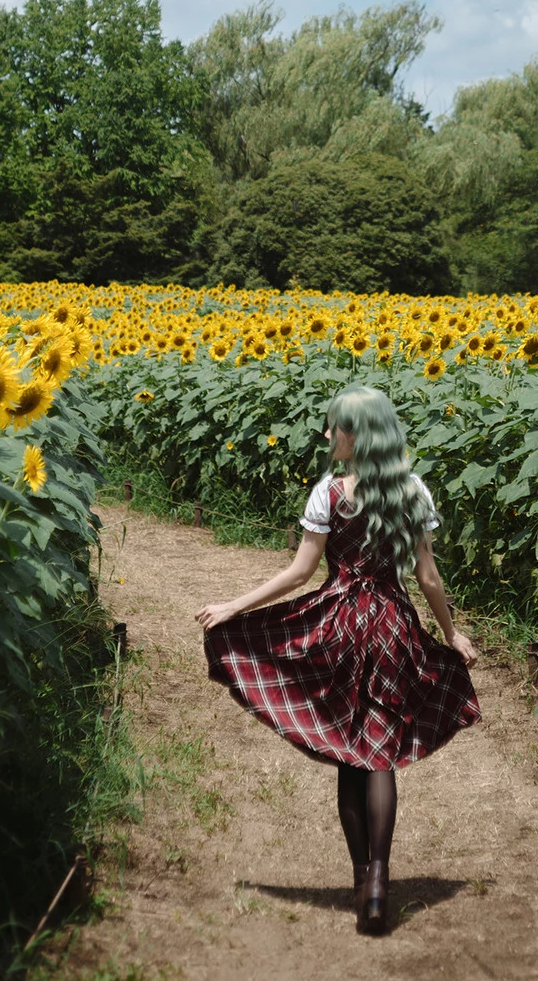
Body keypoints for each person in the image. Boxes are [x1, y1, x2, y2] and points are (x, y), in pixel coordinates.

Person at [195, 383, 481, 935]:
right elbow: (426, 577)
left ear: (360, 433)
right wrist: (452, 633)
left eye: (336, 427)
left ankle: (361, 879)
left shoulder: (329, 492)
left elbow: (299, 573)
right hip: (393, 626)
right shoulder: (412, 491)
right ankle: (378, 881)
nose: (329, 435)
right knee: (378, 752)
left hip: (338, 627)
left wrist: (235, 606)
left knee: (350, 754)